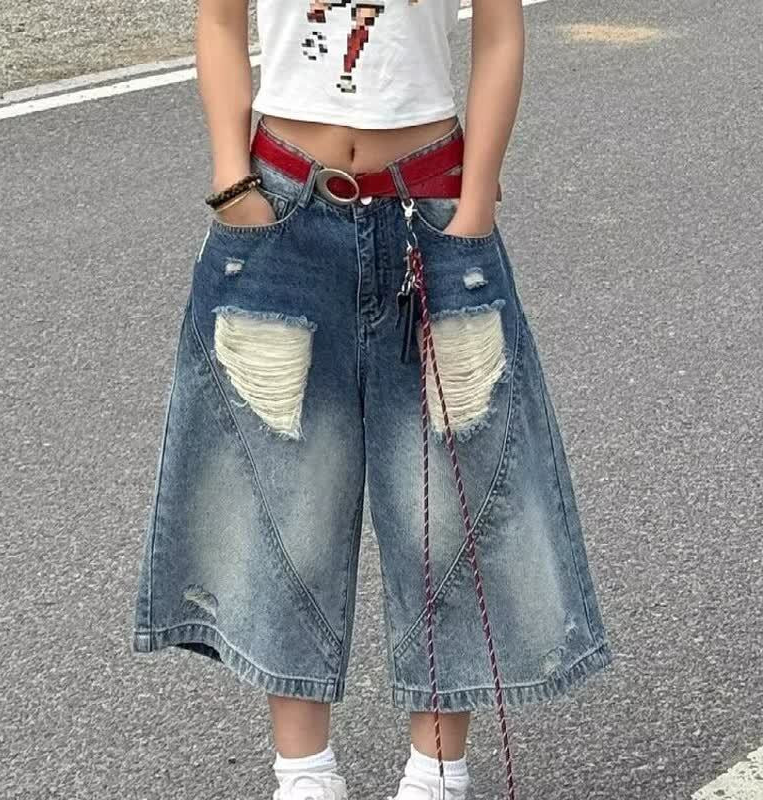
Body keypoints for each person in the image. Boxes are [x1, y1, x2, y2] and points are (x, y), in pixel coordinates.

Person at [130, 1, 615, 798]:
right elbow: (218, 22)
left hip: (433, 208)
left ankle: (437, 772)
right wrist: (231, 180)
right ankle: (304, 774)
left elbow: (500, 32)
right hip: (282, 210)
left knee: (447, 504)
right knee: (287, 499)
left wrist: (476, 202)